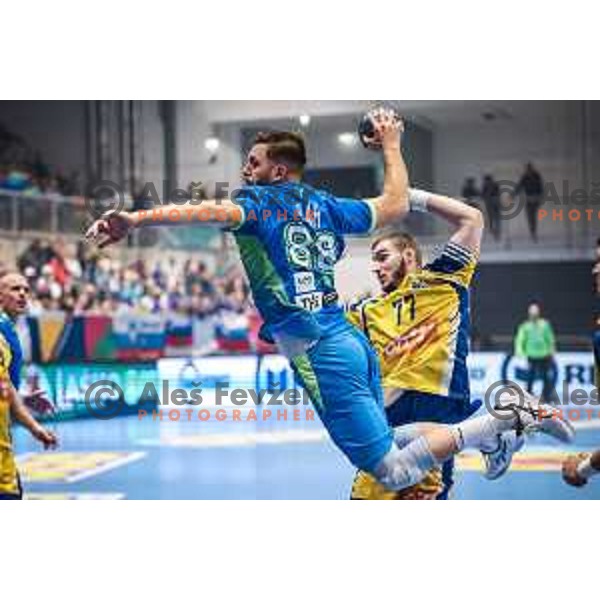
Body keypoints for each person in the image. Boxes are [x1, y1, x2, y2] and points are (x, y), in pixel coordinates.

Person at [86, 109, 573, 495]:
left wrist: (136, 218)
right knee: (389, 438)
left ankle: (501, 421)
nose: (245, 169)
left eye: (253, 162)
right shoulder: (324, 204)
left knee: (392, 470)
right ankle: (485, 428)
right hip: (346, 336)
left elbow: (209, 209)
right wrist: (392, 145)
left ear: (277, 170)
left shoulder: (256, 203)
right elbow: (395, 203)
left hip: (320, 348)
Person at [347, 190, 524, 500]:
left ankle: (493, 437)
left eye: (382, 256)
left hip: (434, 402)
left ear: (409, 255)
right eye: (373, 260)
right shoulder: (366, 310)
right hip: (387, 418)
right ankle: (491, 440)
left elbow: (472, 219)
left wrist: (408, 195)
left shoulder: (442, 280)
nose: (375, 267)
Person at [0, 272, 58, 500]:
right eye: (15, 289)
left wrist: (21, 397)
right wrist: (35, 428)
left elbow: (4, 386)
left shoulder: (10, 330)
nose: (22, 293)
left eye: (25, 289)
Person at [514, 303, 556, 402]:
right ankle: (528, 396)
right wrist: (519, 351)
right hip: (532, 355)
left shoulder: (545, 324)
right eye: (532, 312)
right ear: (529, 314)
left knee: (546, 376)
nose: (534, 314)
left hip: (544, 354)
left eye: (535, 312)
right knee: (530, 377)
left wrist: (552, 350)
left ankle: (547, 396)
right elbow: (520, 339)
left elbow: (550, 338)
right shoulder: (525, 326)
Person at [516, 163, 544, 242]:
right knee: (530, 216)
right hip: (529, 199)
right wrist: (512, 195)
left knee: (532, 216)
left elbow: (540, 186)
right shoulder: (526, 177)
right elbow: (519, 187)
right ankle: (533, 232)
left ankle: (533, 232)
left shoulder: (535, 176)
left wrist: (540, 196)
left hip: (535, 198)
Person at [481, 175, 501, 240]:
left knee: (493, 219)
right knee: (494, 219)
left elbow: (483, 195)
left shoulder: (487, 186)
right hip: (492, 204)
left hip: (492, 204)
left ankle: (495, 232)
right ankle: (495, 232)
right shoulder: (494, 185)